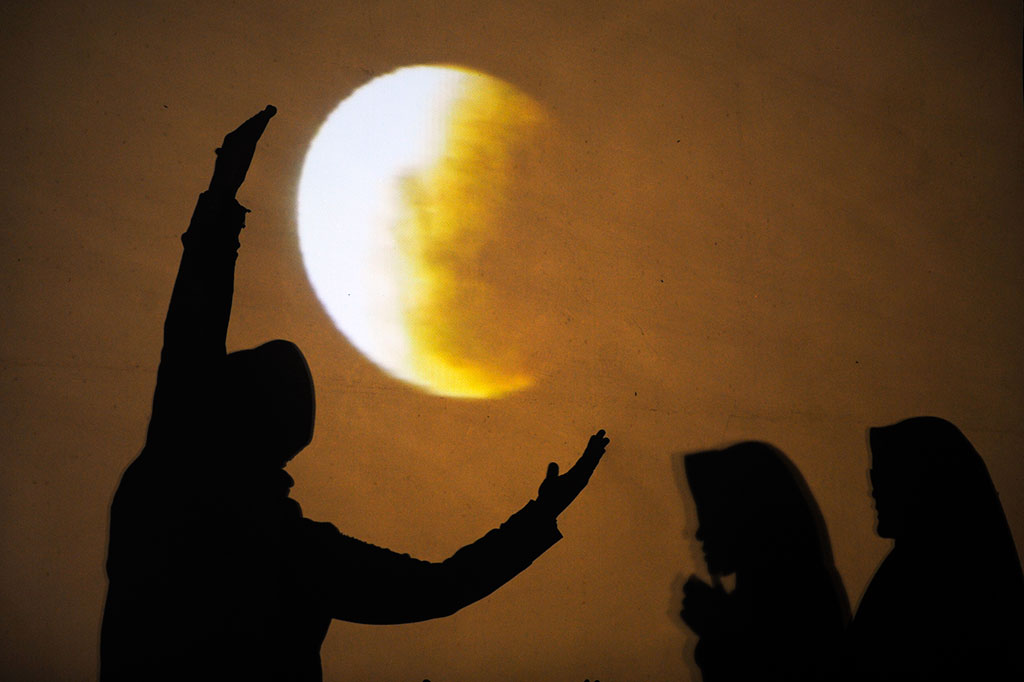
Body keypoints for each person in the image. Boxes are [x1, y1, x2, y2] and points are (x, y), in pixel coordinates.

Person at [100, 107, 610, 681]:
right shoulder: (291, 549)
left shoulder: (175, 477)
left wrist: (223, 192)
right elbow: (439, 588)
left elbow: (192, 325)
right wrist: (540, 515)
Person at [846, 416, 1024, 681]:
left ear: (922, 483)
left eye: (884, 475)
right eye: (875, 475)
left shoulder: (938, 587)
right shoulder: (922, 571)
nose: (874, 490)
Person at [680, 442, 849, 682]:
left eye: (712, 517)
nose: (698, 533)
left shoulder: (793, 597)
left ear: (748, 519)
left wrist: (720, 632)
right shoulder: (790, 587)